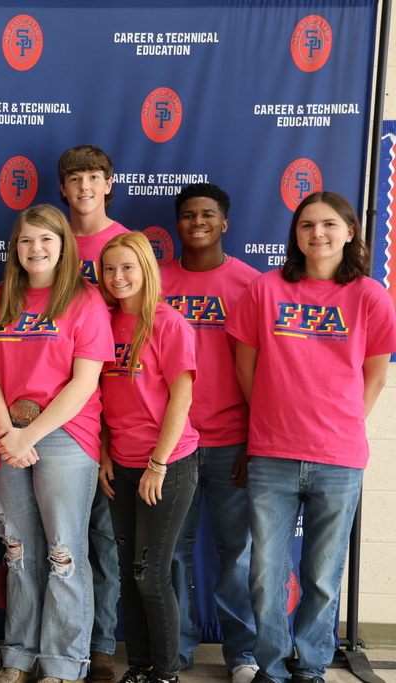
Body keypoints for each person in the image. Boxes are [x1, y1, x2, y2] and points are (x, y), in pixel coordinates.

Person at [227, 192, 396, 683]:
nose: (316, 234)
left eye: (328, 224)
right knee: (265, 572)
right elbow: (245, 366)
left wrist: (341, 424)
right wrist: (273, 416)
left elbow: (375, 376)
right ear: (295, 234)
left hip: (338, 458)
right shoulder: (265, 289)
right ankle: (272, 666)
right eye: (306, 225)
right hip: (272, 454)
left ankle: (312, 666)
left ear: (349, 232)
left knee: (323, 574)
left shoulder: (370, 296)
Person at [0, 205, 114, 683]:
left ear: (63, 246)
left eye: (45, 239)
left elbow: (84, 383)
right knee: (17, 549)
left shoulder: (85, 299)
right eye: (25, 240)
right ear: (14, 248)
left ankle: (63, 662)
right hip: (7, 434)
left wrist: (27, 436)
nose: (35, 248)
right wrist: (7, 434)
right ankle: (18, 655)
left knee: (63, 551)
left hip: (66, 435)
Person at [161, 184, 259, 683]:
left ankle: (243, 654)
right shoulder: (154, 281)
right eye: (187, 215)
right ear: (176, 224)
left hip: (231, 440)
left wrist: (255, 440)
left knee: (237, 553)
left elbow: (266, 372)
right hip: (171, 442)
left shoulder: (251, 284)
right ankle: (175, 651)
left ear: (224, 223)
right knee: (172, 553)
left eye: (207, 214)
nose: (196, 222)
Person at [98, 232, 198, 683]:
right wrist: (105, 453)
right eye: (109, 269)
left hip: (167, 465)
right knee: (128, 572)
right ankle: (139, 667)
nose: (117, 277)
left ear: (146, 270)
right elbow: (98, 396)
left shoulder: (169, 324)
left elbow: (182, 397)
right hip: (121, 465)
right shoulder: (103, 322)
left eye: (127, 267)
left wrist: (158, 463)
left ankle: (166, 673)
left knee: (150, 575)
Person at [57, 145, 129, 683]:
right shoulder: (49, 240)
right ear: (63, 188)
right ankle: (48, 643)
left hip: (114, 404)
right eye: (75, 178)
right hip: (57, 411)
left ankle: (100, 645)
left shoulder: (124, 244)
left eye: (94, 177)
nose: (85, 187)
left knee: (102, 538)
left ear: (108, 184)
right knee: (54, 541)